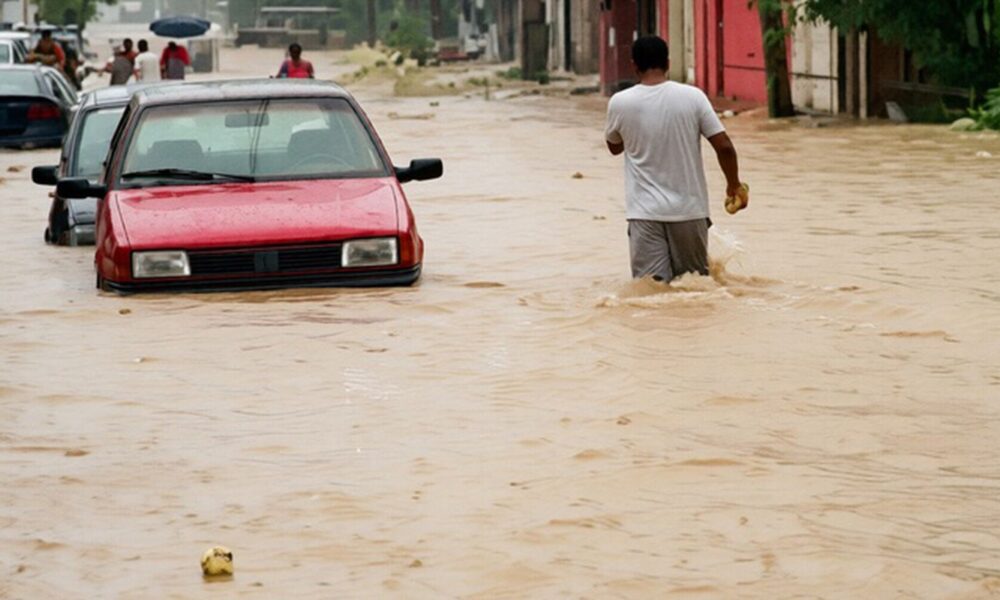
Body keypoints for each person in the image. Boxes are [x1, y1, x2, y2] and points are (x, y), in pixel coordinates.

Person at [604, 36, 744, 283]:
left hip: (644, 214)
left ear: (634, 65)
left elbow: (614, 147)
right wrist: (733, 184)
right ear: (667, 63)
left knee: (651, 292)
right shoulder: (694, 97)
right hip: (689, 212)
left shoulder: (620, 102)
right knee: (695, 289)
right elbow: (724, 147)